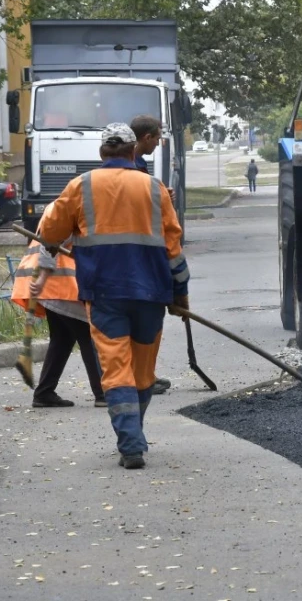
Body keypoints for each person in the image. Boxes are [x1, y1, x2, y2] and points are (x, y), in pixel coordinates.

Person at [41, 123, 190, 470]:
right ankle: (134, 436)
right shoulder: (155, 189)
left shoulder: (81, 187)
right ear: (132, 150)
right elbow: (173, 249)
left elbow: (49, 232)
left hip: (105, 293)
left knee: (116, 369)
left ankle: (130, 443)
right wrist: (181, 293)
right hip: (152, 294)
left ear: (101, 153)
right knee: (142, 370)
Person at [11, 201, 106, 409]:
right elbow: (49, 243)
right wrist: (44, 277)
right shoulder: (71, 207)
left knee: (62, 339)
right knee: (88, 335)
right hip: (59, 285)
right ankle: (103, 393)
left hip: (53, 285)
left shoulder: (61, 206)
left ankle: (44, 393)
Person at [129, 114, 174, 396]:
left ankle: (141, 376)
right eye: (157, 138)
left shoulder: (140, 165)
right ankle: (138, 379)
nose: (158, 143)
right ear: (146, 137)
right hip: (137, 252)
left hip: (136, 250)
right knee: (143, 322)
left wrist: (160, 195)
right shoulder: (130, 165)